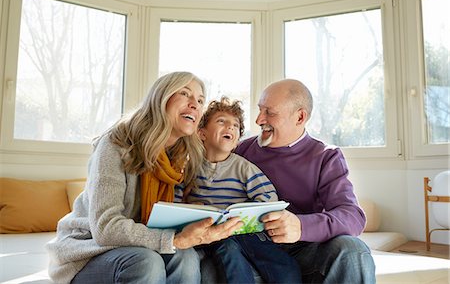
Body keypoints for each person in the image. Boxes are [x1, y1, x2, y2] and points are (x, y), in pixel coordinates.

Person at [45, 72, 243, 284]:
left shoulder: (183, 157)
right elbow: (106, 228)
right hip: (90, 251)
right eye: (185, 94)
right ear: (161, 98)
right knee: (147, 261)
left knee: (186, 258)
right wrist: (175, 239)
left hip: (143, 246)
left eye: (200, 100)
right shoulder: (116, 144)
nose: (195, 104)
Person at [234, 79, 376, 283]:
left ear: (300, 117)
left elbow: (352, 217)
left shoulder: (326, 156)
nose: (258, 120)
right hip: (251, 251)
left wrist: (300, 226)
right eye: (260, 110)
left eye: (270, 113)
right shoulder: (241, 151)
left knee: (353, 251)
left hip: (306, 249)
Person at [178, 96, 301, 284]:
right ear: (202, 133)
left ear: (236, 141)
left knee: (284, 267)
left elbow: (268, 198)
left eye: (235, 126)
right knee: (228, 251)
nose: (230, 127)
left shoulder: (244, 168)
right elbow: (175, 198)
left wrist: (244, 214)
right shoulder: (189, 166)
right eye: (221, 122)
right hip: (211, 233)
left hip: (246, 231)